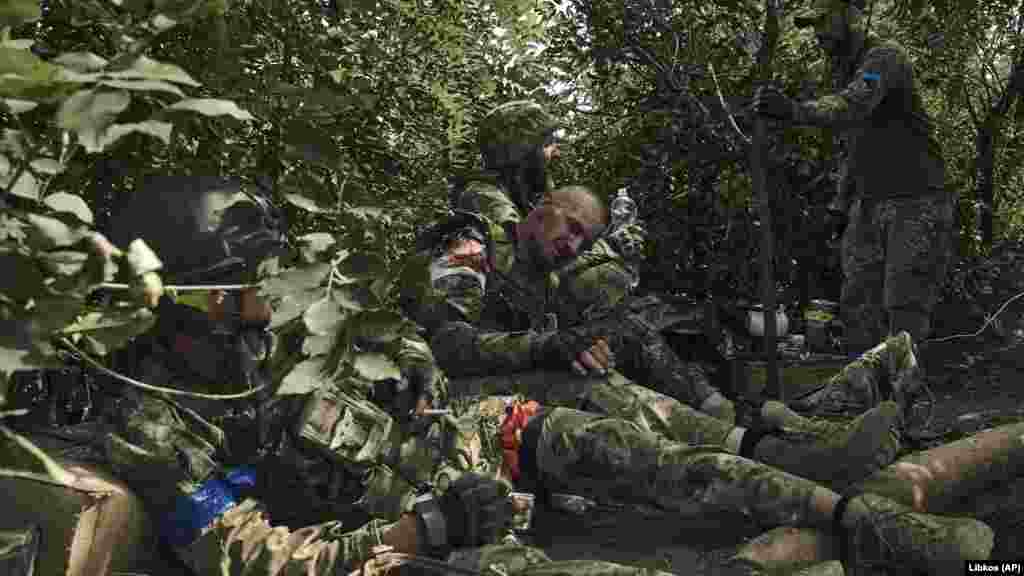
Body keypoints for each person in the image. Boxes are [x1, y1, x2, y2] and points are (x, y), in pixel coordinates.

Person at [95, 175, 691, 576]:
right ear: (203, 300)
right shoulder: (155, 427)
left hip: (452, 456)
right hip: (393, 537)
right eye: (256, 281)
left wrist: (416, 361)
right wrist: (428, 526)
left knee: (636, 450)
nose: (275, 293)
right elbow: (258, 561)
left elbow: (389, 327)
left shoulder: (280, 328)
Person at [404, 185, 993, 574]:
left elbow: (557, 342)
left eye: (584, 238)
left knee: (605, 380)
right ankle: (780, 454)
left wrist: (584, 344)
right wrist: (551, 345)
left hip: (518, 412)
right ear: (540, 207)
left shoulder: (549, 283)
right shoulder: (473, 247)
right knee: (594, 391)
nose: (573, 243)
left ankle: (784, 458)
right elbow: (446, 346)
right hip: (447, 408)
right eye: (571, 227)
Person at [458, 100, 734, 422]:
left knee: (658, 322)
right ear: (520, 148)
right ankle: (713, 410)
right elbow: (534, 257)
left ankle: (715, 405)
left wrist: (613, 245)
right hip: (522, 342)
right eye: (547, 144)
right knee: (630, 328)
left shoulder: (525, 196)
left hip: (548, 327)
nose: (555, 153)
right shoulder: (484, 197)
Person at [752, 0, 955, 357]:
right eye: (812, 25)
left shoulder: (883, 60)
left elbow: (853, 105)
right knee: (857, 299)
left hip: (916, 199)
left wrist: (795, 111)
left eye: (823, 22)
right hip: (869, 200)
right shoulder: (846, 67)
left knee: (903, 302)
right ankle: (863, 392)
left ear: (849, 16)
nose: (816, 34)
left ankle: (904, 395)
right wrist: (840, 205)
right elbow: (856, 143)